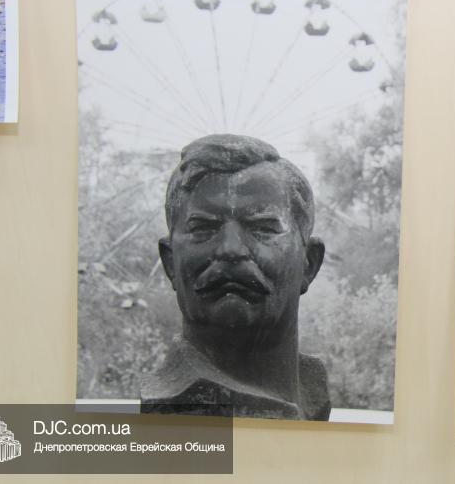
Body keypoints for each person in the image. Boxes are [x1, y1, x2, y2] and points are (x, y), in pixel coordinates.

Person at [141, 134, 330, 420]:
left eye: (263, 227)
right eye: (203, 228)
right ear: (170, 262)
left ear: (309, 263)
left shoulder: (312, 389)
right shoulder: (177, 407)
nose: (231, 249)